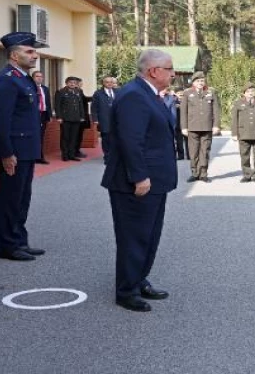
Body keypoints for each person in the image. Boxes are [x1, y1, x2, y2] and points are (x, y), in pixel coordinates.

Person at [101, 49, 178, 312]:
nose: (173, 73)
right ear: (153, 71)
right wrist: (140, 176)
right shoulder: (134, 95)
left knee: (148, 235)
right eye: (169, 69)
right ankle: (126, 291)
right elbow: (130, 141)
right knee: (134, 237)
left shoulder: (149, 94)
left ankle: (138, 278)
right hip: (136, 182)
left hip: (155, 180)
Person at [0, 31, 47, 261]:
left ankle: (20, 240)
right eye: (29, 51)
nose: (35, 55)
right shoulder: (5, 80)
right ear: (14, 55)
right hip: (14, 151)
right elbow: (1, 121)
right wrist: (7, 153)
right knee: (11, 198)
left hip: (26, 149)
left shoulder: (22, 77)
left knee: (22, 197)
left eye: (34, 51)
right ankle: (8, 246)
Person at [180, 71, 221, 183]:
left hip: (207, 127)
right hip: (192, 127)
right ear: (193, 82)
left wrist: (216, 125)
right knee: (193, 152)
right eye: (198, 81)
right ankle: (194, 173)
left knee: (205, 151)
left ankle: (203, 173)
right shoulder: (187, 93)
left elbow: (216, 110)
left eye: (202, 81)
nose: (200, 83)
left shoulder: (211, 92)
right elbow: (183, 112)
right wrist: (184, 127)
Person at [231, 82, 255, 183]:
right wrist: (234, 134)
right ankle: (247, 174)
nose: (250, 93)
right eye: (248, 91)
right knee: (244, 155)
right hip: (243, 134)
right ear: (244, 93)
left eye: (252, 91)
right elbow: (234, 119)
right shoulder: (238, 103)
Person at [54, 76, 85, 161]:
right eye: (70, 82)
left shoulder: (78, 91)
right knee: (65, 137)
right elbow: (57, 105)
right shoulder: (61, 92)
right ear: (67, 83)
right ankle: (65, 155)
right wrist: (59, 117)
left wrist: (82, 116)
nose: (72, 84)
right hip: (65, 118)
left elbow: (80, 105)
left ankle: (72, 155)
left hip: (76, 118)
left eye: (74, 83)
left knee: (74, 137)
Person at [91, 76, 117, 164]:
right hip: (104, 120)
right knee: (106, 139)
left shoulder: (118, 92)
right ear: (103, 83)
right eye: (107, 82)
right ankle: (107, 157)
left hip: (116, 121)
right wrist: (95, 119)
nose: (109, 84)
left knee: (115, 139)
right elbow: (94, 108)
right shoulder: (98, 93)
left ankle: (114, 156)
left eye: (111, 82)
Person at [32, 71, 52, 164]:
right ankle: (32, 157)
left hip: (43, 115)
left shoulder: (45, 89)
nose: (39, 78)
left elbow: (48, 103)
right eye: (37, 76)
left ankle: (39, 157)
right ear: (33, 78)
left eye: (41, 76)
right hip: (33, 115)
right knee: (33, 136)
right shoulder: (30, 88)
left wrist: (49, 115)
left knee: (41, 136)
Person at [74, 78, 90, 159]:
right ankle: (75, 151)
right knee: (77, 135)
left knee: (79, 135)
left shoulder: (80, 91)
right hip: (79, 117)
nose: (81, 84)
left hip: (83, 117)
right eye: (80, 83)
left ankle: (77, 150)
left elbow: (85, 99)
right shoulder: (76, 91)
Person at [173, 87, 188, 160]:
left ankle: (189, 155)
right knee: (179, 142)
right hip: (177, 124)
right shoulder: (173, 101)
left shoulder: (186, 101)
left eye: (181, 93)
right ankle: (180, 156)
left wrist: (181, 106)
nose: (180, 95)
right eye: (179, 93)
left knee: (188, 141)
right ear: (175, 94)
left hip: (186, 124)